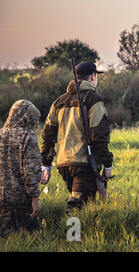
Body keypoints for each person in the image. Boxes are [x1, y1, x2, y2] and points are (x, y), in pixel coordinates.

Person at [40, 61, 113, 211]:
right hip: (83, 164)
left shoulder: (58, 102)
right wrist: (108, 164)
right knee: (77, 208)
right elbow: (98, 137)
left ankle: (85, 232)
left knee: (82, 204)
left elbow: (47, 136)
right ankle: (66, 234)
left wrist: (46, 165)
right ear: (93, 76)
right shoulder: (94, 100)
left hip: (63, 164)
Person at [0, 100, 41, 237]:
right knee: (30, 237)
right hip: (22, 200)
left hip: (2, 198)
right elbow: (31, 172)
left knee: (5, 238)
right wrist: (34, 199)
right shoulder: (27, 137)